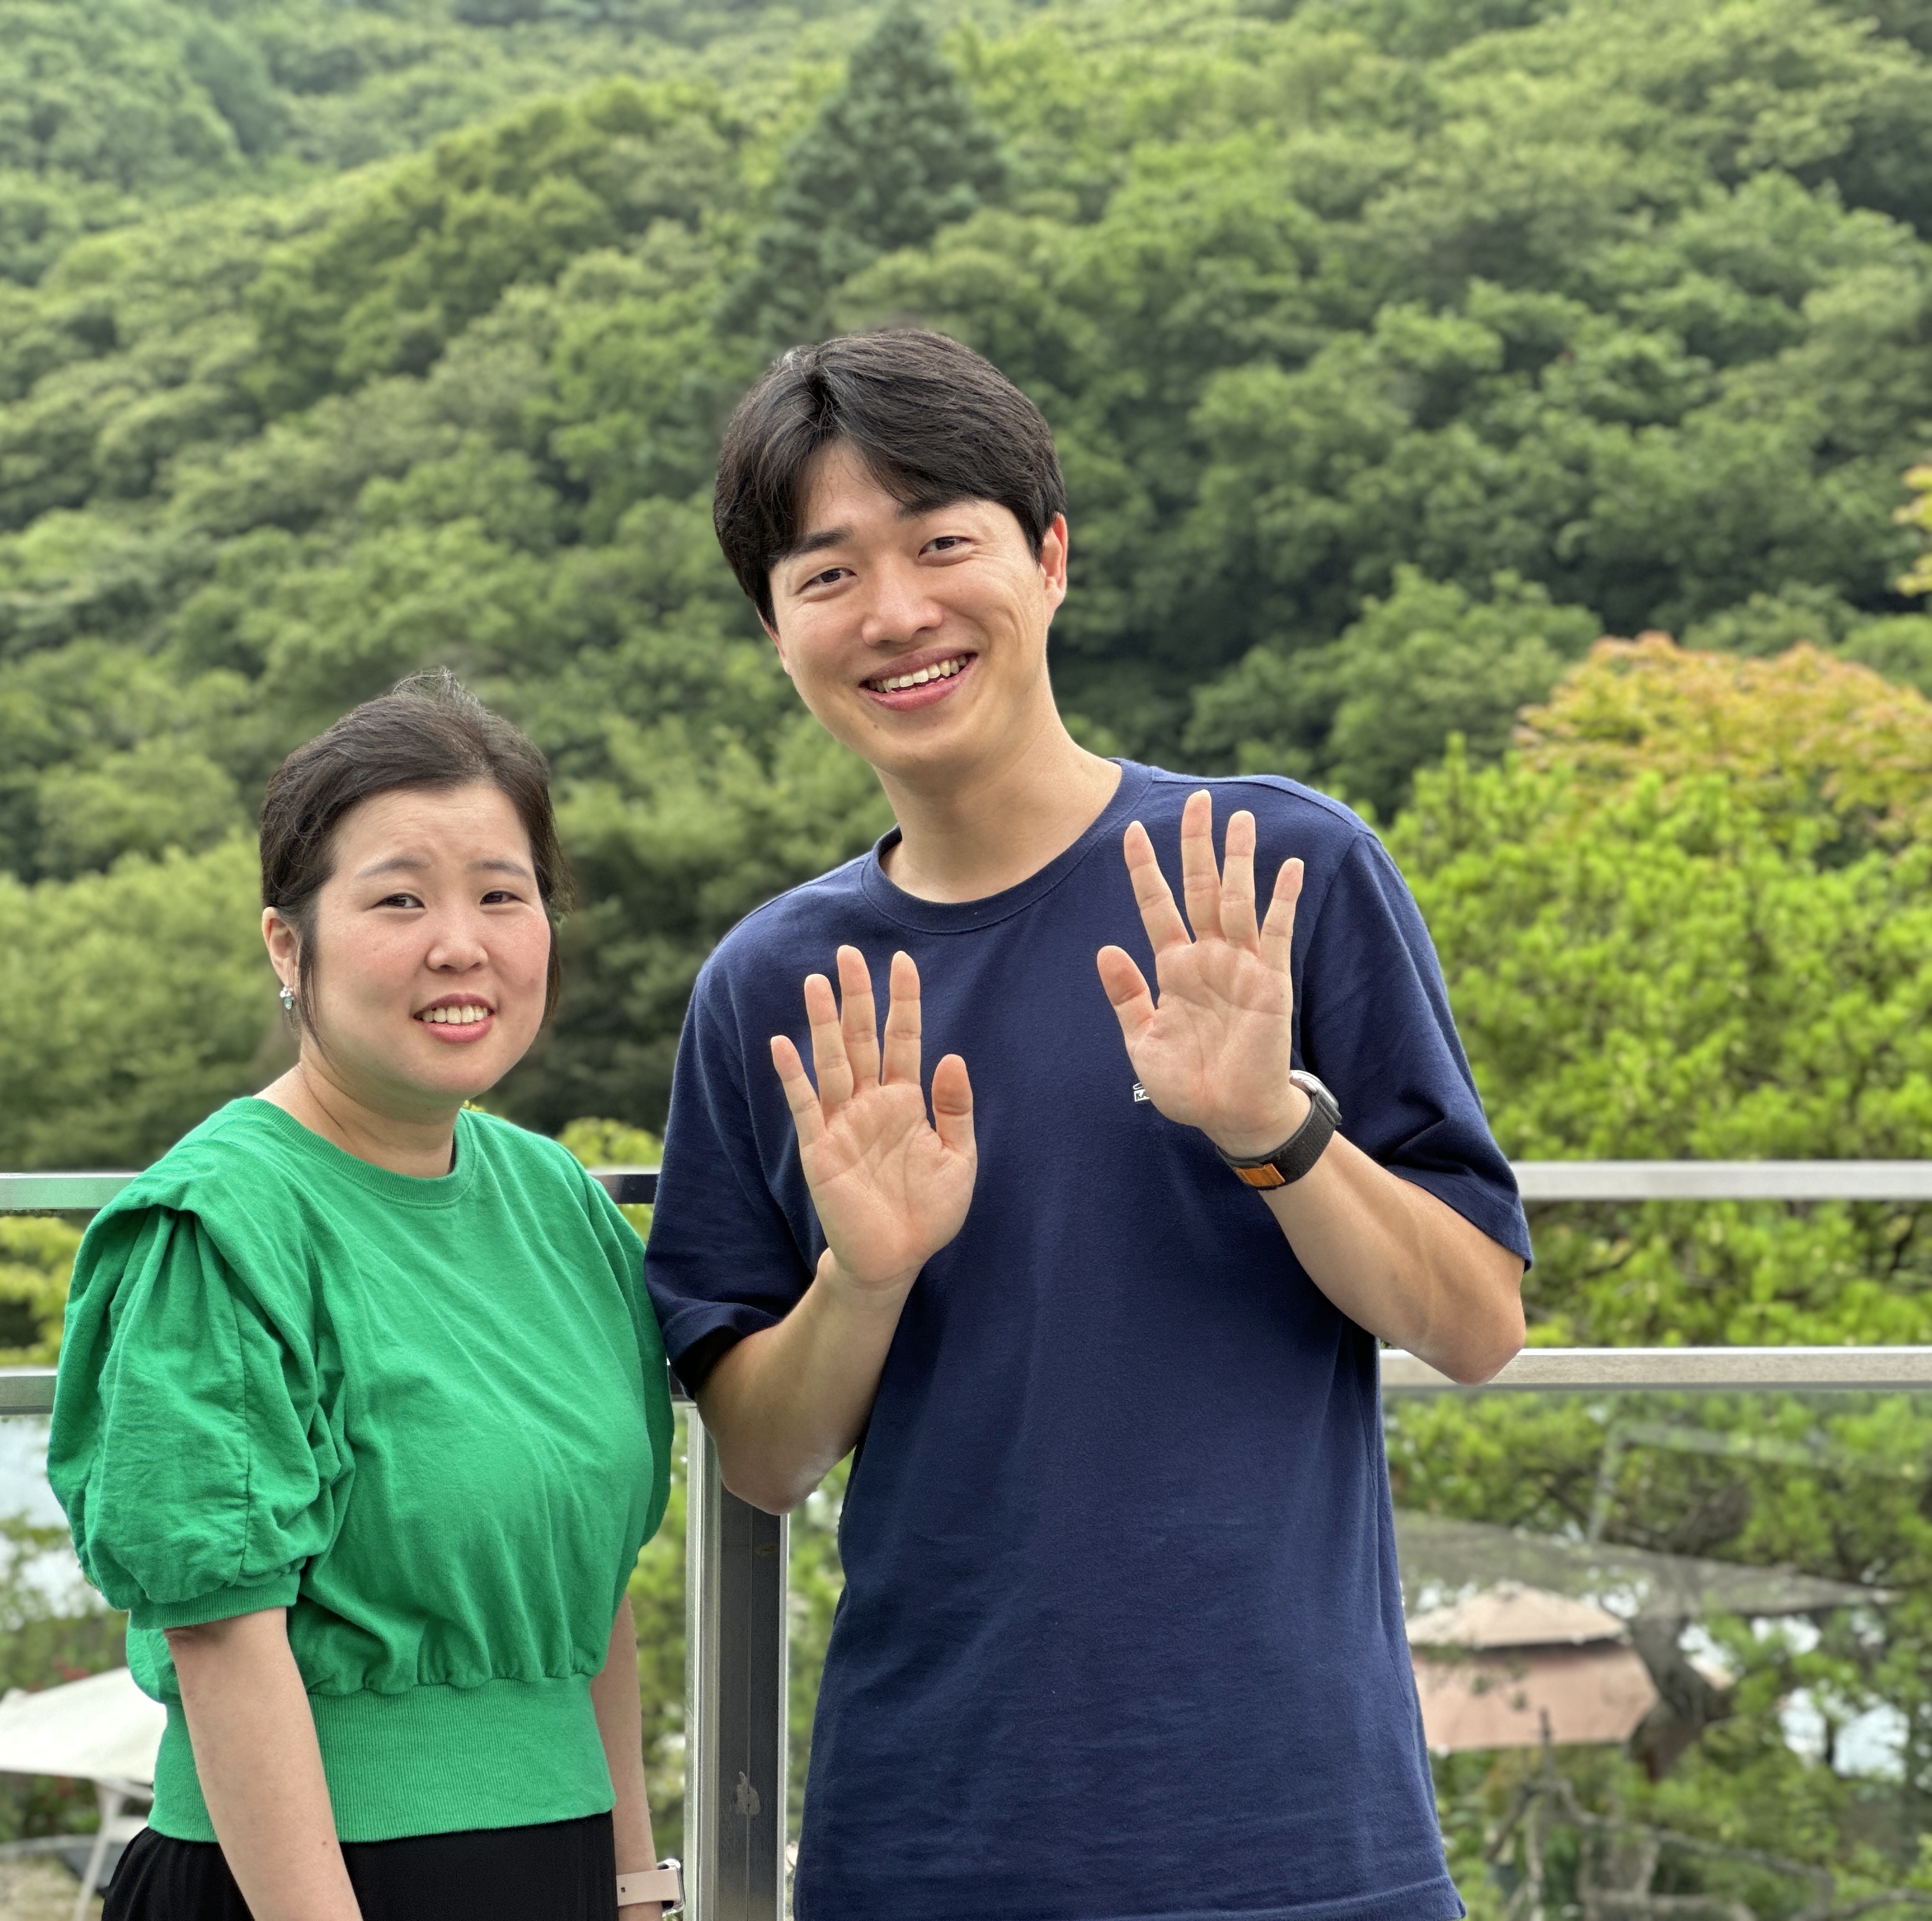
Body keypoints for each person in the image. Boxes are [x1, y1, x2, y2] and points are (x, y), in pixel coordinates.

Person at [645, 329, 1531, 1920]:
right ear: (777, 629)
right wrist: (864, 1275)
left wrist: (1273, 1129)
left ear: (1050, 558)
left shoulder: (1273, 872)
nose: (895, 612)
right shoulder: (773, 988)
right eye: (828, 573)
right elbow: (764, 1459)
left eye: (943, 543)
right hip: (928, 1846)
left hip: (1296, 1839)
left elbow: (1475, 1323)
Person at [49, 675, 679, 1921]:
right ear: (290, 946)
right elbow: (221, 1638)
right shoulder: (219, 1225)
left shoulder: (556, 1204)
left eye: (502, 894)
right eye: (399, 899)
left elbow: (582, 1597)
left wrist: (634, 1885)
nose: (461, 944)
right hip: (301, 1881)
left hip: (554, 1866)